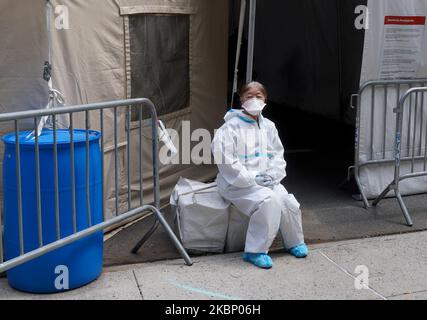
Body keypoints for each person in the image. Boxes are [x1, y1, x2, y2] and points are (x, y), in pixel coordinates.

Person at [211, 81, 308, 269]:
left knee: (287, 201)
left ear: (265, 100)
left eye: (258, 96)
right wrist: (250, 178)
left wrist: (274, 174)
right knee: (269, 201)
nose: (254, 100)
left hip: (266, 180)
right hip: (237, 184)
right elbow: (227, 162)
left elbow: (278, 155)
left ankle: (294, 242)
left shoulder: (269, 126)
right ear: (241, 99)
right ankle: (255, 251)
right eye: (249, 96)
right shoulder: (229, 129)